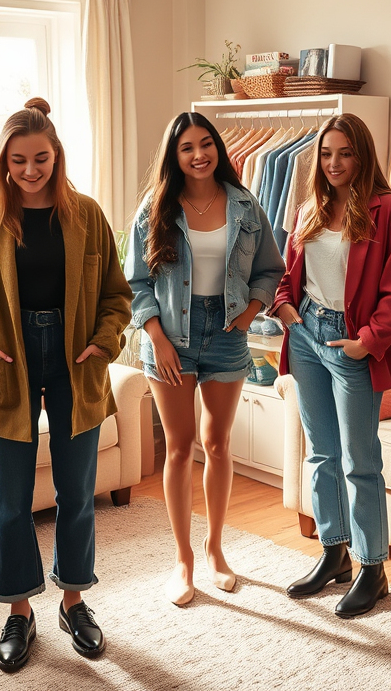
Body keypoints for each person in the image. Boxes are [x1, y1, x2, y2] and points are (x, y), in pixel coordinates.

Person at [0, 97, 131, 669]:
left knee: (77, 493)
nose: (31, 170)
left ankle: (74, 601)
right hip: (10, 361)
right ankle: (18, 610)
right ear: (3, 160)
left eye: (41, 158)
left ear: (57, 155)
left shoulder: (87, 214)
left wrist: (106, 339)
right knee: (11, 500)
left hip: (77, 359)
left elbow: (117, 296)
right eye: (19, 160)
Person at [125, 111, 284, 606]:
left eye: (205, 144)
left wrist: (251, 312)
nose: (198, 155)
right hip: (170, 333)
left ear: (217, 147)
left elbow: (270, 269)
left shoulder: (243, 204)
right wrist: (158, 338)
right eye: (187, 147)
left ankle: (216, 550)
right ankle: (183, 559)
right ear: (175, 156)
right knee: (179, 447)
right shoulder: (155, 207)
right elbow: (134, 281)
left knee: (217, 444)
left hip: (227, 332)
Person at [272, 113, 391, 619]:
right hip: (307, 333)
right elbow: (289, 271)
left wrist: (369, 341)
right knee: (322, 454)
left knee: (359, 459)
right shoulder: (310, 207)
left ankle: (373, 569)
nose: (335, 164)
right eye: (327, 154)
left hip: (351, 342)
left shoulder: (388, 210)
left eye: (346, 153)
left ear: (363, 156)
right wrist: (285, 305)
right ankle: (333, 553)